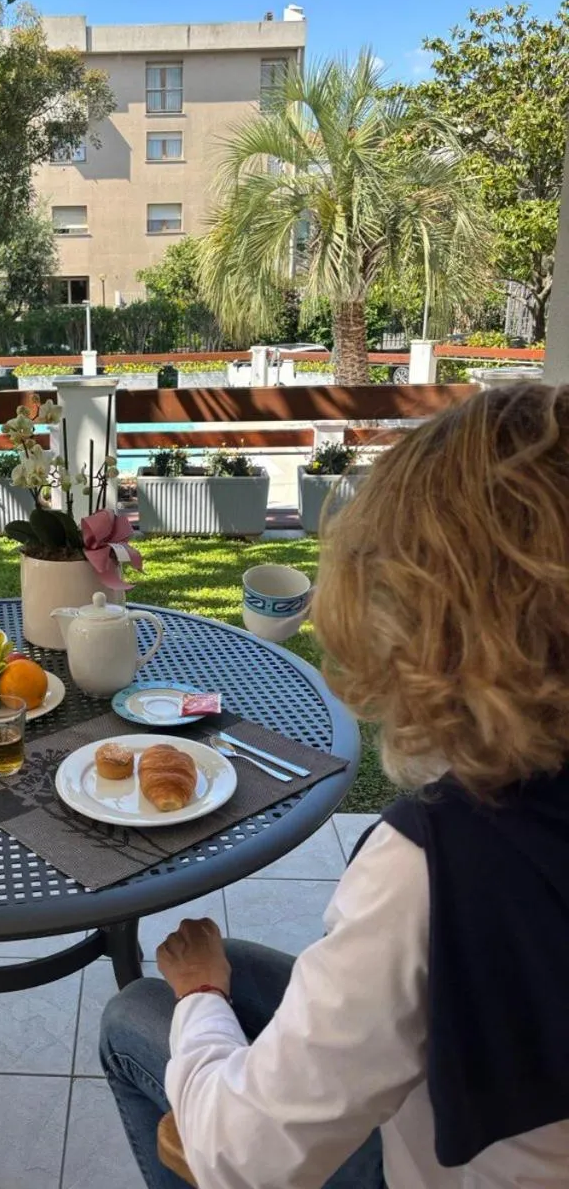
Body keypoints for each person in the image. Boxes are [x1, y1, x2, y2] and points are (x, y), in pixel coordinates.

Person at [100, 383, 569, 1189]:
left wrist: (200, 999)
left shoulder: (436, 863)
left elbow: (243, 1155)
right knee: (241, 965)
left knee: (137, 1014)